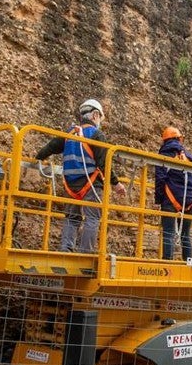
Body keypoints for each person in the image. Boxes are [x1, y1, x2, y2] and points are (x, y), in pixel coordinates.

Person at [34, 98, 126, 253]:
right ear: (95, 115)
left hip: (71, 185)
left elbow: (50, 147)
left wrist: (38, 157)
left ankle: (66, 249)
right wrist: (116, 184)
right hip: (90, 184)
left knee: (71, 217)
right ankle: (85, 254)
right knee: (92, 218)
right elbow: (104, 163)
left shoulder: (70, 133)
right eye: (100, 118)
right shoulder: (96, 134)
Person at [153, 126, 192, 261]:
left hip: (170, 200)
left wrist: (159, 200)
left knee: (168, 232)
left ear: (164, 141)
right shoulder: (190, 158)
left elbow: (160, 179)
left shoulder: (163, 156)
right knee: (185, 234)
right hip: (189, 201)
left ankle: (167, 263)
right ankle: (189, 263)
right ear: (179, 139)